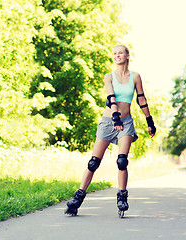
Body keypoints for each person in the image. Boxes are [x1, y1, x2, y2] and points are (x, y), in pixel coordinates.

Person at [65, 44, 156, 217]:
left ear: (127, 55)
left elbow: (141, 98)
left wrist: (149, 121)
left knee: (122, 161)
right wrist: (115, 118)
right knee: (93, 163)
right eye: (114, 53)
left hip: (126, 122)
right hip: (108, 122)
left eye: (120, 53)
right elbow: (111, 98)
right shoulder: (109, 76)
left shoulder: (135, 76)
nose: (117, 55)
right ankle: (77, 199)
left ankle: (122, 197)